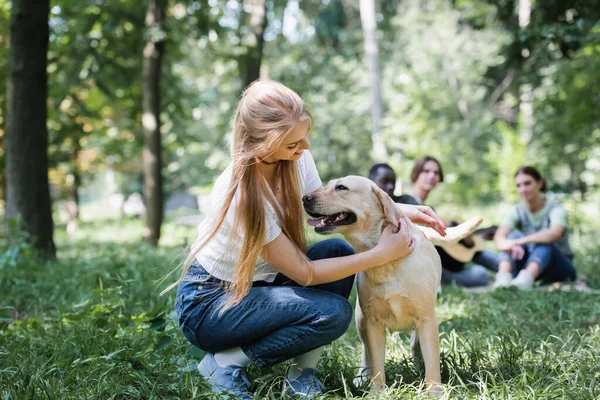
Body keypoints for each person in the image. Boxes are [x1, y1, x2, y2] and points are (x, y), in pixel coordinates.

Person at [166, 81, 446, 399]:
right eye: (293, 143)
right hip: (211, 305)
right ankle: (224, 363)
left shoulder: (296, 159)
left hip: (259, 285)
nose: (305, 147)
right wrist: (382, 254)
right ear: (263, 143)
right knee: (333, 313)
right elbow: (306, 274)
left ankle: (301, 375)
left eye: (305, 136)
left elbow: (328, 204)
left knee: (336, 249)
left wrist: (401, 210)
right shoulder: (244, 195)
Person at [372, 156, 499, 288]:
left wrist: (475, 235)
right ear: (416, 174)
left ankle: (510, 267)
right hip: (426, 267)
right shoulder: (405, 201)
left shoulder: (431, 208)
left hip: (445, 260)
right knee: (481, 274)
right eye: (426, 171)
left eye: (436, 173)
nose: (431, 176)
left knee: (479, 256)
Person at [492, 166, 576, 289]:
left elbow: (555, 233)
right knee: (512, 236)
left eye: (527, 183)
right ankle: (503, 279)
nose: (523, 189)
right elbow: (499, 237)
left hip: (559, 267)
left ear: (539, 183)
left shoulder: (555, 208)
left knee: (544, 242)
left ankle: (525, 281)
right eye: (518, 185)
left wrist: (520, 241)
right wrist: (510, 244)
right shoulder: (517, 210)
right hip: (531, 265)